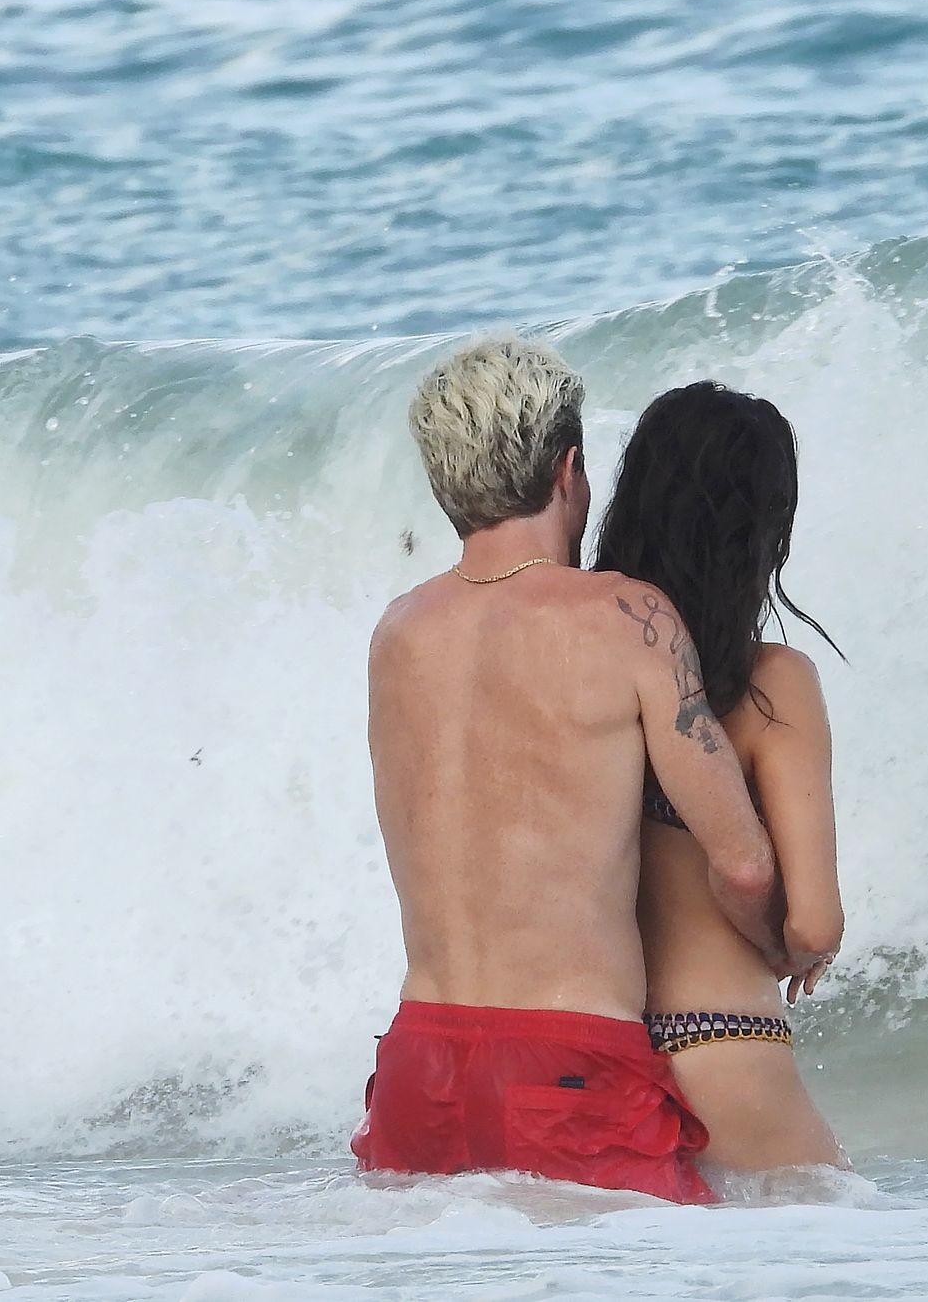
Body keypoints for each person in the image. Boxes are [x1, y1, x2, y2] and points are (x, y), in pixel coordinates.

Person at [350, 336, 824, 1204]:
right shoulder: (626, 616)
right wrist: (773, 947)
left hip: (418, 1060)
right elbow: (744, 865)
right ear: (569, 470)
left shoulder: (398, 631)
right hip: (564, 1064)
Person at [594, 381, 848, 1171]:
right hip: (722, 1046)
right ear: (766, 528)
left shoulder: (577, 667)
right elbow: (814, 923)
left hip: (590, 1055)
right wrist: (786, 948)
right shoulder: (775, 683)